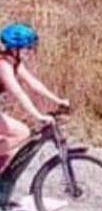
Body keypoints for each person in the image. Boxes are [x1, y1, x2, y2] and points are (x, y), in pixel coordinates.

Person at [1, 24, 67, 191]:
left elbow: (33, 84)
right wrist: (39, 116)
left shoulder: (14, 62)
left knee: (19, 136)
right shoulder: (3, 65)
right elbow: (19, 93)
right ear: (15, 48)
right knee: (18, 136)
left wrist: (58, 100)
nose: (30, 51)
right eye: (27, 47)